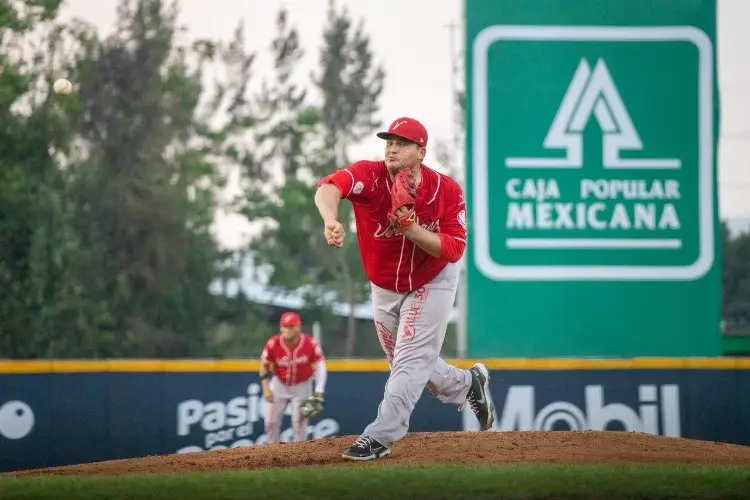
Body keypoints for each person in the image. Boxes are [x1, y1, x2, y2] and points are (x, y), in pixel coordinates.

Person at [314, 116, 496, 461]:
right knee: (405, 361)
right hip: (384, 284)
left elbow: (454, 248)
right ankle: (466, 384)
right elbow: (329, 186)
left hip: (434, 278)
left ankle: (381, 435)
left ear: (421, 151)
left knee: (410, 360)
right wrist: (330, 218)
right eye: (389, 142)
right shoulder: (370, 176)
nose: (392, 148)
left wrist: (410, 229)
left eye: (401, 143)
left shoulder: (446, 190)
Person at [259, 311, 327, 444]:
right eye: (285, 326)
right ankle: (273, 453)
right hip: (279, 384)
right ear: (280, 327)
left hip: (302, 385)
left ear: (298, 327)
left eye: (291, 326)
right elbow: (264, 364)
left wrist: (319, 391)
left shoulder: (310, 343)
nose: (287, 329)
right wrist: (266, 388)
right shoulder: (273, 343)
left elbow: (320, 365)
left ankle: (300, 455)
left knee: (299, 423)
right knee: (271, 422)